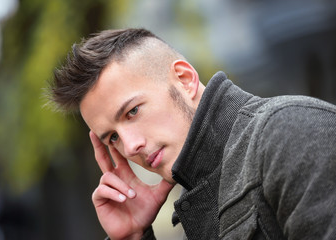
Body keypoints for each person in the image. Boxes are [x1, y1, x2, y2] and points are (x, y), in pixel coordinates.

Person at [49, 28, 336, 240]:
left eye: (133, 111)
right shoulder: (197, 196)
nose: (131, 146)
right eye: (112, 137)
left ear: (185, 80)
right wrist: (133, 237)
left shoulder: (288, 131)